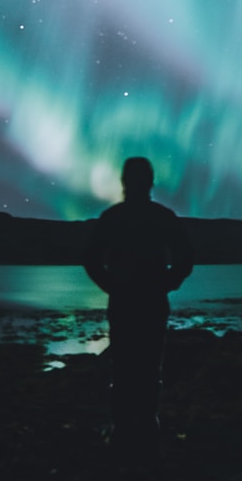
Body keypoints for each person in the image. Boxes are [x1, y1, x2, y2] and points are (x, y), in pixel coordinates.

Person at [83, 156, 194, 457]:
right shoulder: (162, 216)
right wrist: (167, 283)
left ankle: (124, 430)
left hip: (125, 300)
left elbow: (91, 260)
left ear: (124, 182)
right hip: (151, 300)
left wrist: (111, 285)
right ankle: (146, 428)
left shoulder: (113, 218)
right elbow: (186, 258)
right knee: (147, 366)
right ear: (150, 182)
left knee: (124, 367)